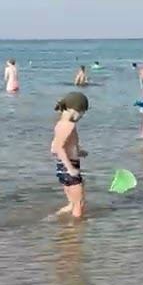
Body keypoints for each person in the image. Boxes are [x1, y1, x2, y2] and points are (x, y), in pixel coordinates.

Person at [51, 91, 90, 219]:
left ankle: (51, 219)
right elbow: (58, 148)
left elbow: (54, 148)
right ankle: (76, 229)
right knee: (79, 205)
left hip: (62, 167)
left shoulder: (60, 124)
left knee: (72, 204)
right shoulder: (69, 126)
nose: (82, 116)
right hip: (69, 167)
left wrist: (78, 152)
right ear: (74, 109)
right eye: (82, 112)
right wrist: (70, 169)